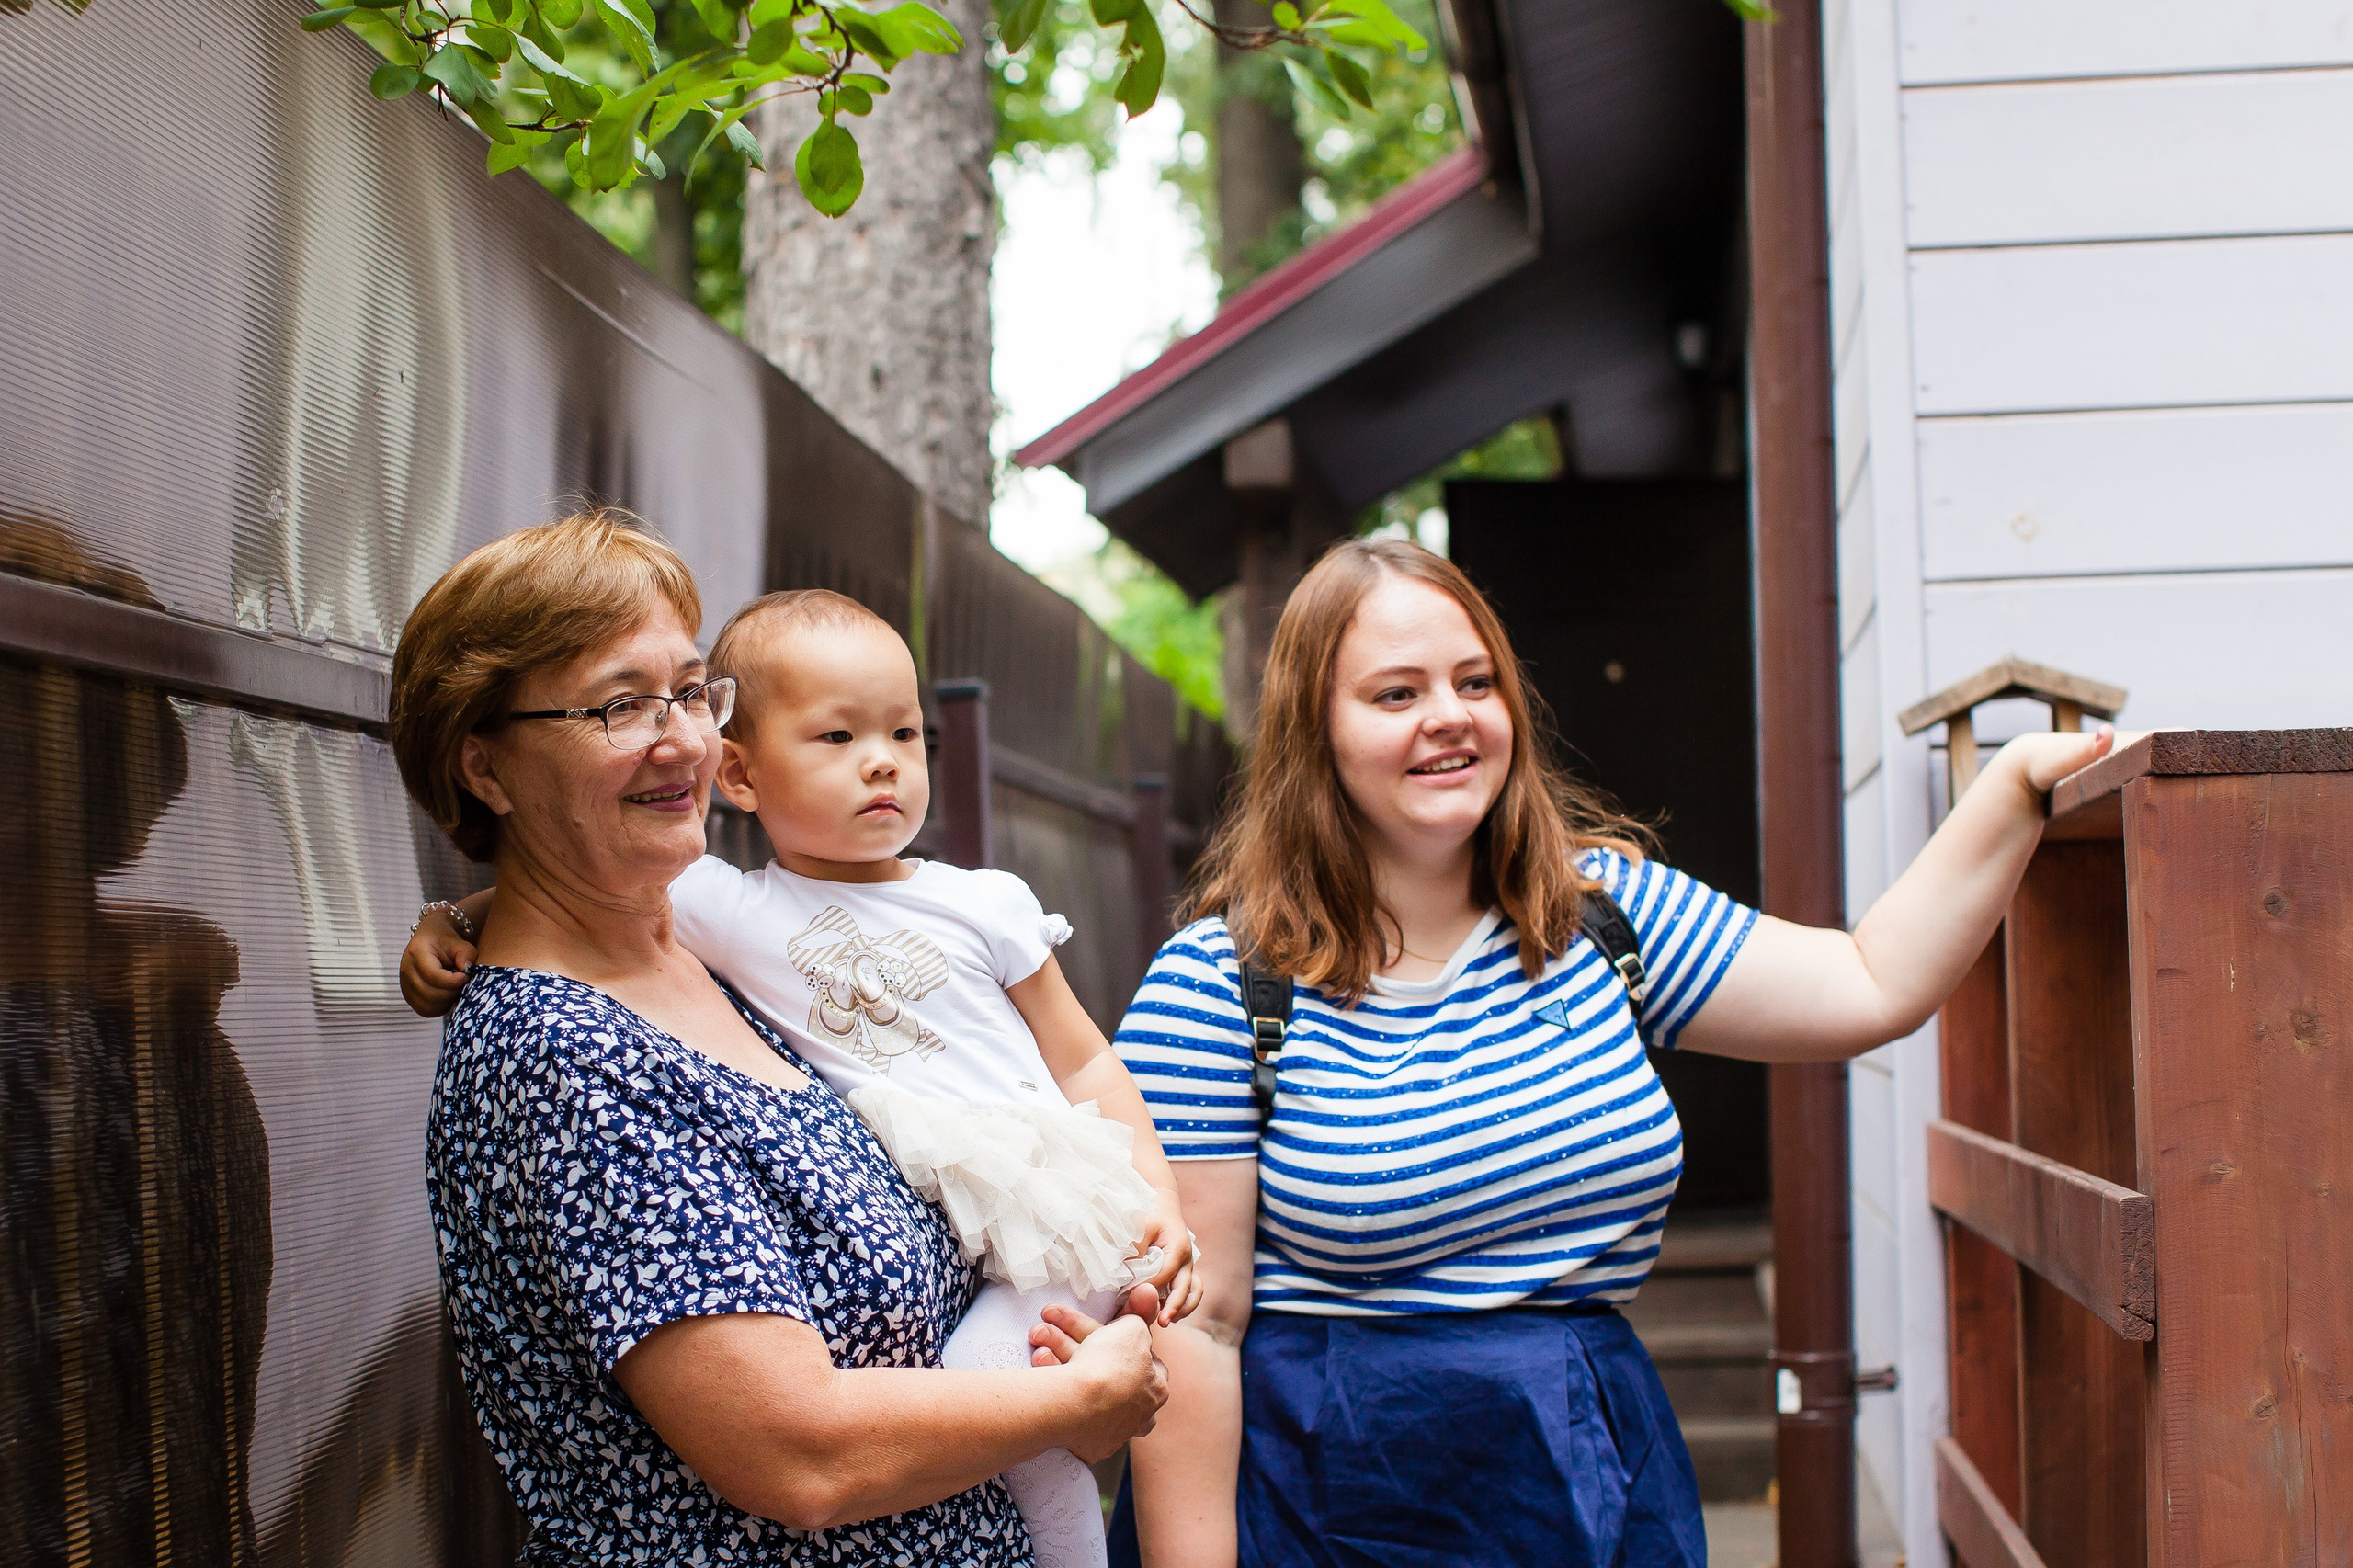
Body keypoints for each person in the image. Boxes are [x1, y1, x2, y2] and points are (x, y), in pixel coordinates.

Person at [1109, 538, 2116, 1567]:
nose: (1449, 714)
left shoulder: (1601, 918)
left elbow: (1869, 979)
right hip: (1331, 1501)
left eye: (1474, 681)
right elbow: (1196, 1326)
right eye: (1394, 692)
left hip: (1586, 1474)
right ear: (1313, 734)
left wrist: (2016, 786)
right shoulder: (1219, 986)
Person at [389, 512, 1166, 1566]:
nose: (682, 738)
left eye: (690, 691)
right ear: (485, 768)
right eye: (621, 703)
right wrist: (1072, 1400)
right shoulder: (566, 1059)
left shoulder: (708, 963)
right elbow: (798, 1455)